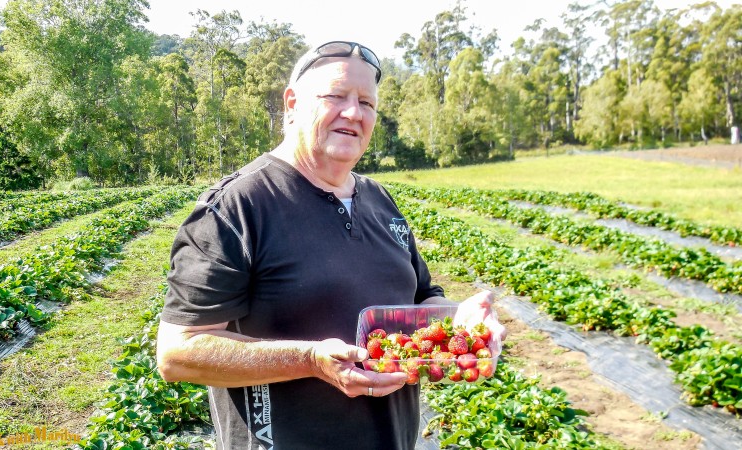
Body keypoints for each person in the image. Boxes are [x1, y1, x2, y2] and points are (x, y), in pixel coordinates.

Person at [156, 40, 507, 450]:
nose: (354, 113)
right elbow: (178, 353)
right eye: (335, 96)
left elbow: (421, 301)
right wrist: (310, 361)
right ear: (292, 103)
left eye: (367, 103)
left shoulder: (380, 201)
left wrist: (462, 320)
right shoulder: (238, 207)